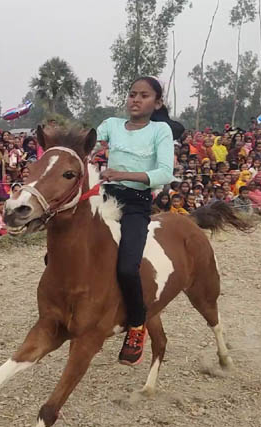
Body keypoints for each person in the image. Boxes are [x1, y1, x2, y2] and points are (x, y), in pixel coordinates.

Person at [94, 76, 177, 367]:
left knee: (128, 268)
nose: (135, 99)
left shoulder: (160, 130)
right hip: (104, 196)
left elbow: (165, 173)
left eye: (143, 95)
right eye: (132, 94)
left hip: (135, 204)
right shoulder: (112, 125)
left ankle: (137, 325)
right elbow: (90, 142)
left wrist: (122, 174)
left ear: (157, 102)